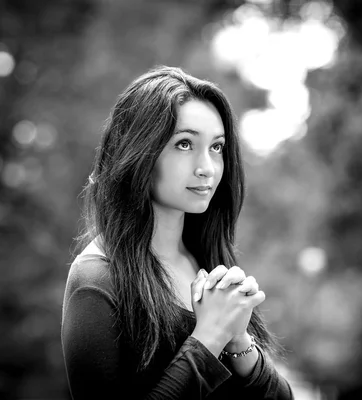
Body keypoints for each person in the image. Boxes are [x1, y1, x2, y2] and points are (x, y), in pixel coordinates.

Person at [61, 66, 293, 400]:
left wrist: (239, 342)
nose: (207, 168)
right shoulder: (98, 281)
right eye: (184, 144)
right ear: (138, 152)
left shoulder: (209, 263)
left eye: (216, 147)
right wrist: (209, 337)